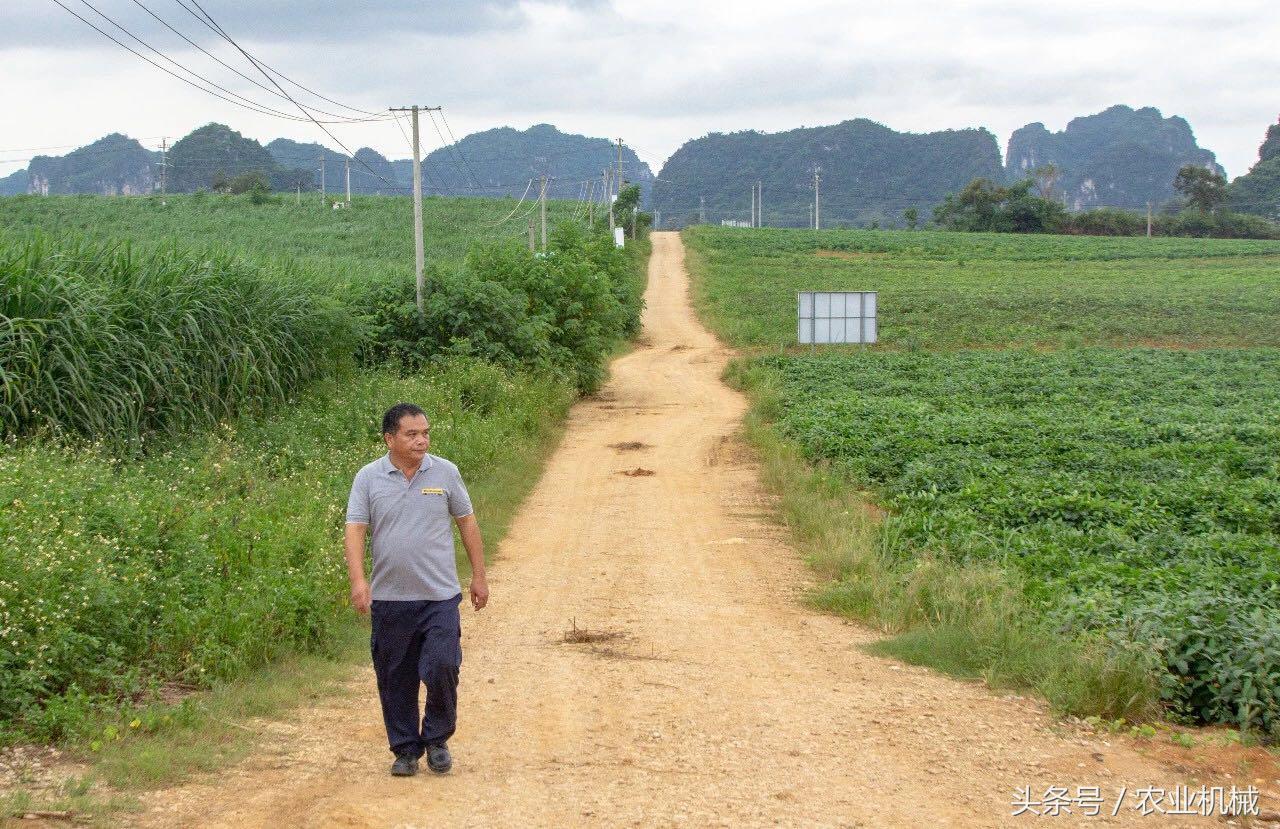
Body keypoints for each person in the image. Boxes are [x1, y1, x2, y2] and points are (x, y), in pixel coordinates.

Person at [344, 402, 489, 777]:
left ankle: (437, 740)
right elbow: (356, 529)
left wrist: (479, 574)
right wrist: (359, 580)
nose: (421, 440)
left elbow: (467, 523)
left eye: (425, 433)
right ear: (389, 438)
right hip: (391, 599)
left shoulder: (445, 472)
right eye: (412, 434)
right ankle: (406, 749)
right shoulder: (368, 478)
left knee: (442, 665)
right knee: (396, 677)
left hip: (439, 596)